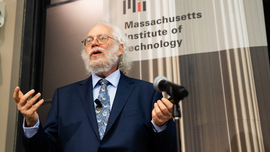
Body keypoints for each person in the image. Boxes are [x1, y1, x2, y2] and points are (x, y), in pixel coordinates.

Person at [13, 22, 177, 152]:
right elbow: (45, 149)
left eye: (102, 38)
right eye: (89, 40)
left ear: (120, 48)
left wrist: (161, 125)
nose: (94, 43)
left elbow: (167, 148)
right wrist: (32, 122)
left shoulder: (146, 93)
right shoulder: (64, 97)